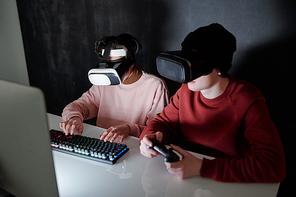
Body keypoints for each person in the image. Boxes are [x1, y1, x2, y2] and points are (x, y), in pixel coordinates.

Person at [139, 23, 286, 183]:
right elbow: (164, 122)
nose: (189, 74)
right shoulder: (186, 90)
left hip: (228, 180)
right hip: (189, 175)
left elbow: (273, 166)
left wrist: (202, 168)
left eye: (197, 65)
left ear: (219, 67)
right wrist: (150, 136)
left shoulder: (246, 98)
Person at [60, 33, 169, 142]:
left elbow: (158, 130)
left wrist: (129, 129)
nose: (110, 72)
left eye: (116, 66)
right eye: (108, 65)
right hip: (103, 143)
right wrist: (74, 118)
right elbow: (80, 105)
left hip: (137, 146)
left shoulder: (155, 86)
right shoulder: (103, 81)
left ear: (131, 64)